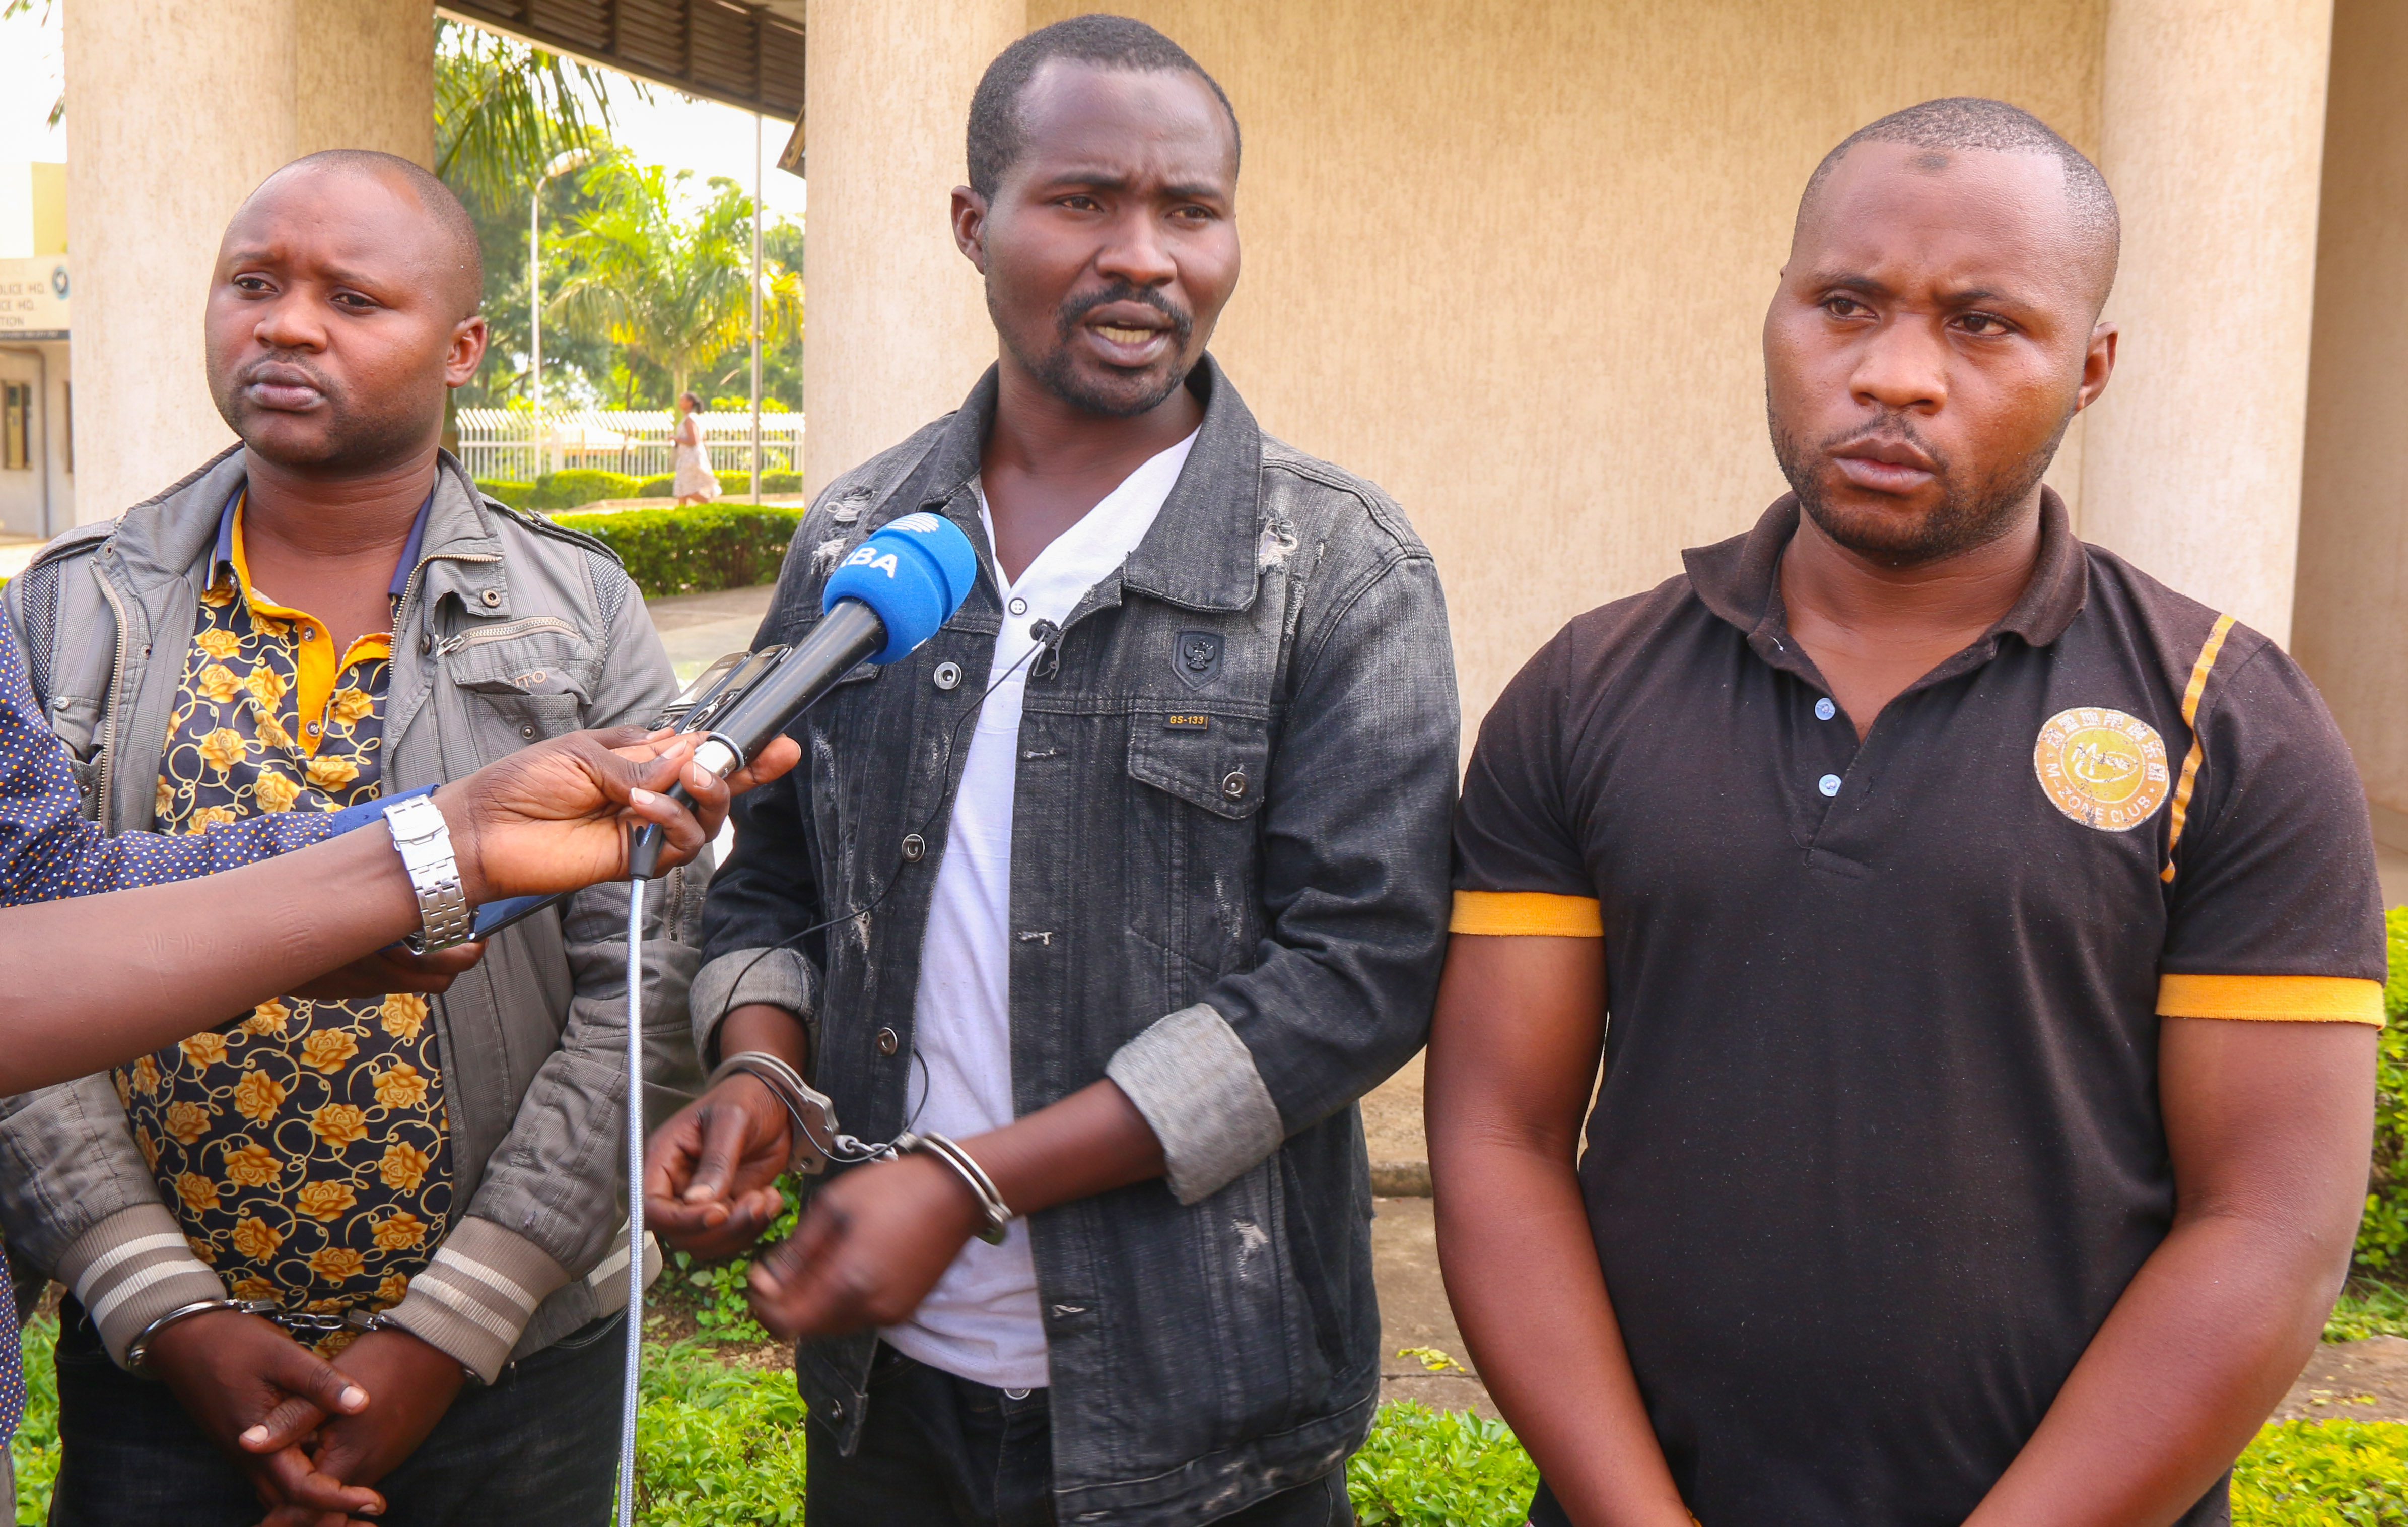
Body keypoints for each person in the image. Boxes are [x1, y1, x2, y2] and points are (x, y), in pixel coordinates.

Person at [1426, 96, 2384, 1527]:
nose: (1894, 375)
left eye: (1983, 324)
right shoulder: (1588, 690)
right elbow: (1499, 1139)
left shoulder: (2224, 717)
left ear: (2090, 367)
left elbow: (2268, 1224)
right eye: (1844, 304)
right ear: (1777, 312)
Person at [644, 17, 1457, 1526]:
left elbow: (1361, 972)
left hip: (1209, 1409)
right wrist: (758, 1066)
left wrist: (973, 1178)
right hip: (890, 1390)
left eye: (1191, 210)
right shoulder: (861, 539)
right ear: (975, 223)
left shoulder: (1337, 567)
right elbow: (779, 876)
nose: (1144, 256)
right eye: (1083, 200)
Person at [0, 149, 708, 1527]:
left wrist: (451, 1326)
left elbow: (644, 992)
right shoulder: (74, 607)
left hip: (514, 1359)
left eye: (353, 298)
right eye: (253, 284)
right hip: (163, 1371)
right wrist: (160, 1300)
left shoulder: (581, 611)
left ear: (462, 348)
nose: (288, 324)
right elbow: (33, 944)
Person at [671, 390, 720, 506]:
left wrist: (676, 439)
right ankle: (682, 514)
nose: (680, 403)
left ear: (690, 403)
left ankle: (712, 507)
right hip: (691, 457)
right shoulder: (696, 418)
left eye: (682, 400)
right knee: (681, 490)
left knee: (687, 491)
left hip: (690, 459)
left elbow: (693, 440)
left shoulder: (690, 419)